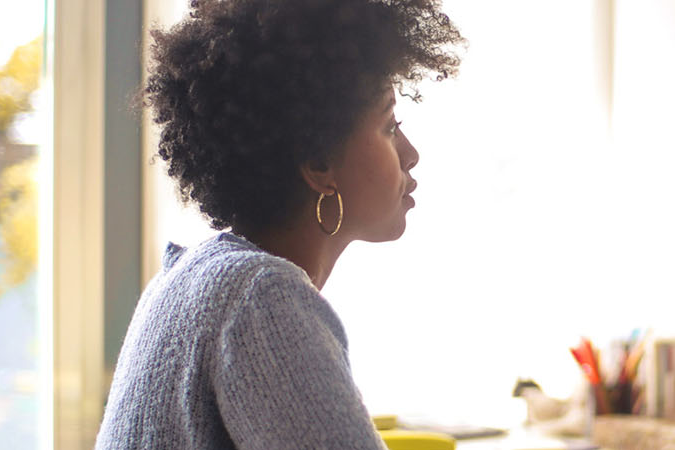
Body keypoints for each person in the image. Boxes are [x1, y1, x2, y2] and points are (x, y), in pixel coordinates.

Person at [95, 0, 461, 448]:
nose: (410, 153)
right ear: (319, 163)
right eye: (389, 126)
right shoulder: (260, 298)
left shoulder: (195, 280)